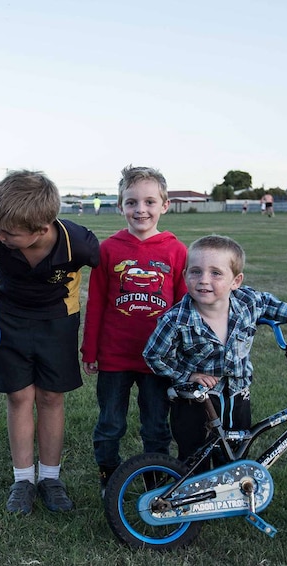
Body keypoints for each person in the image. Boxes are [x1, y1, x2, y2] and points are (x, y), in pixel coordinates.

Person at [0, 170, 100, 514]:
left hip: (56, 320)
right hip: (7, 317)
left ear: (42, 229)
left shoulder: (81, 243)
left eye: (9, 233)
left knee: (49, 396)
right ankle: (22, 479)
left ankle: (50, 477)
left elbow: (104, 274)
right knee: (18, 396)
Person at [143, 235, 287, 470]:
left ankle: (231, 498)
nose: (204, 280)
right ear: (185, 276)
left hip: (237, 394)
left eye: (216, 273)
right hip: (196, 401)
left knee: (237, 449)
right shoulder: (176, 320)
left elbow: (267, 303)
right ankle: (191, 501)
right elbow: (154, 355)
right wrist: (187, 375)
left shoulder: (246, 302)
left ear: (236, 281)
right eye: (195, 271)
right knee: (196, 456)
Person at [80, 166, 187, 495]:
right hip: (115, 354)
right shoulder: (109, 249)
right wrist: (90, 350)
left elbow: (184, 307)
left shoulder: (175, 249)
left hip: (158, 357)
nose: (141, 209)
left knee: (155, 424)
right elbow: (96, 303)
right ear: (120, 205)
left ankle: (156, 479)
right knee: (111, 422)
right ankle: (109, 476)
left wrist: (182, 350)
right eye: (132, 202)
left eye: (150, 202)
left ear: (165, 206)